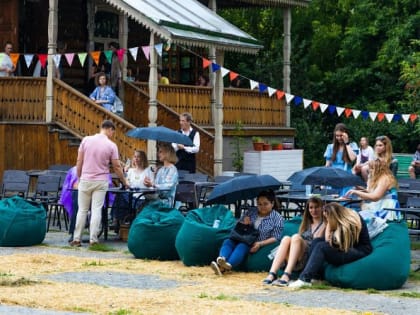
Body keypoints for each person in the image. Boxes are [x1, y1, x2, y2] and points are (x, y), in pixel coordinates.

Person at [70, 120, 128, 247]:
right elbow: (117, 167)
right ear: (110, 129)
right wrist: (124, 181)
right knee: (96, 210)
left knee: (82, 210)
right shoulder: (111, 145)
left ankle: (76, 238)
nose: (113, 135)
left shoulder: (86, 140)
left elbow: (79, 160)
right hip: (101, 180)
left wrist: (79, 177)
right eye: (113, 132)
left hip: (85, 179)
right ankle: (93, 239)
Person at [289, 202, 372, 288]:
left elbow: (331, 241)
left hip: (359, 250)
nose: (327, 220)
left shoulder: (349, 222)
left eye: (327, 218)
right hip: (348, 246)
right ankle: (314, 276)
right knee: (316, 241)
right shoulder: (343, 216)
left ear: (333, 216)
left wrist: (328, 224)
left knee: (321, 246)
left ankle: (305, 279)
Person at [210, 189, 284, 276]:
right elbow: (238, 225)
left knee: (242, 246)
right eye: (259, 204)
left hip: (253, 241)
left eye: (265, 204)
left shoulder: (277, 218)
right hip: (240, 236)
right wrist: (244, 223)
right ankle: (222, 259)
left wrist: (260, 244)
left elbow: (275, 237)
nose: (262, 206)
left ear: (272, 203)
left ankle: (227, 265)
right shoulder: (251, 211)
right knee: (227, 241)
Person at [263, 196, 325, 286]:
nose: (313, 210)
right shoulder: (306, 223)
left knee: (296, 237)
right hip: (295, 257)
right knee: (286, 239)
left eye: (316, 207)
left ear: (322, 208)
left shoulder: (325, 224)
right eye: (311, 207)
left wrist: (324, 221)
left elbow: (317, 241)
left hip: (309, 258)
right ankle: (272, 273)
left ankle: (287, 274)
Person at [60, 166, 115, 242]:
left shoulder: (102, 169)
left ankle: (91, 234)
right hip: (82, 193)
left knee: (93, 206)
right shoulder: (75, 170)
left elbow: (107, 183)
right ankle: (74, 233)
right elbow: (73, 185)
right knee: (76, 197)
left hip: (96, 194)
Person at [324, 123, 358, 195]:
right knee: (333, 200)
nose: (339, 138)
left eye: (341, 135)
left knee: (344, 199)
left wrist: (347, 143)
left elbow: (352, 158)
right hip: (334, 177)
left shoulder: (352, 145)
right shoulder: (330, 147)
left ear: (346, 135)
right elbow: (327, 165)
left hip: (346, 176)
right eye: (337, 136)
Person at [144, 142, 178, 207]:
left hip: (167, 203)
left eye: (160, 152)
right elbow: (155, 186)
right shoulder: (161, 169)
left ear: (167, 153)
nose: (158, 154)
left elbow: (167, 188)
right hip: (157, 201)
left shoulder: (172, 169)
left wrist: (152, 184)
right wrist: (149, 183)